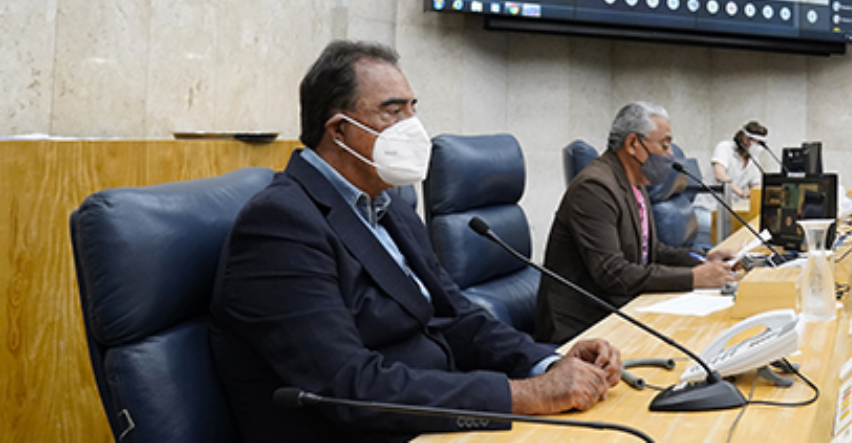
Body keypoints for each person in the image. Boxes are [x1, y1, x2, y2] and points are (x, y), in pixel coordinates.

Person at [210, 41, 621, 443]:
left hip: (432, 419)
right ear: (339, 131)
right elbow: (349, 388)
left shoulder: (390, 206)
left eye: (412, 108)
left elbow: (455, 317)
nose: (412, 126)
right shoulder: (280, 225)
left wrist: (546, 362)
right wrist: (526, 396)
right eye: (393, 111)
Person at [536, 101, 736, 343]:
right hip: (584, 327)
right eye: (665, 144)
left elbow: (651, 250)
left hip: (621, 309)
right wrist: (693, 278)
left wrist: (704, 258)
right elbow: (613, 272)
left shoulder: (636, 183)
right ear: (633, 144)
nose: (671, 153)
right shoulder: (594, 188)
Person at [711, 121, 769, 205]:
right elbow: (720, 175)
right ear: (745, 139)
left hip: (732, 208)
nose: (760, 147)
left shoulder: (754, 160)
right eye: (759, 143)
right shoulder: (724, 148)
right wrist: (741, 193)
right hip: (709, 207)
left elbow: (755, 186)